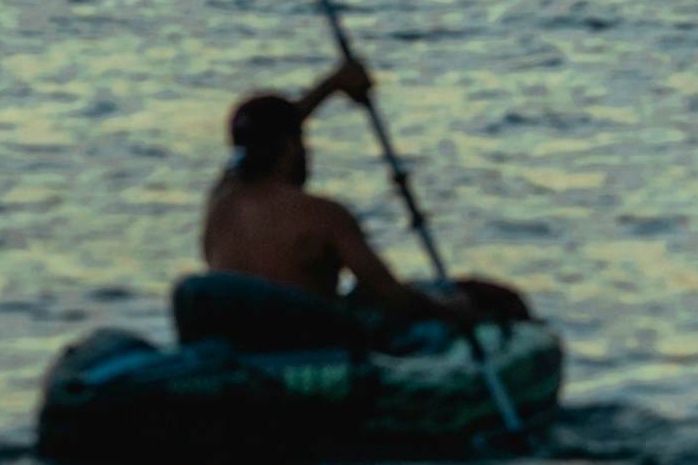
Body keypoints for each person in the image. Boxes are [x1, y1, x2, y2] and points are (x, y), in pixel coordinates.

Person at [199, 63, 532, 331]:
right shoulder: (323, 216)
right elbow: (391, 296)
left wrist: (331, 86)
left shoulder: (220, 205)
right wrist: (454, 313)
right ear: (290, 148)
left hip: (241, 345)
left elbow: (265, 136)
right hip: (309, 352)